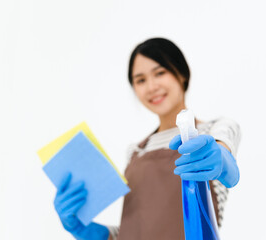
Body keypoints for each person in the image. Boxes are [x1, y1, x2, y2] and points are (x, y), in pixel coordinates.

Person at [53, 38, 241, 240]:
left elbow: (225, 163)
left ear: (182, 74)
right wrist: (87, 231)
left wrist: (221, 160)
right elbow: (137, 230)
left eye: (160, 73)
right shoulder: (135, 152)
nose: (151, 87)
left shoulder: (215, 129)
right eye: (140, 80)